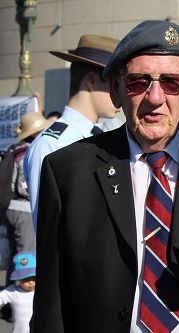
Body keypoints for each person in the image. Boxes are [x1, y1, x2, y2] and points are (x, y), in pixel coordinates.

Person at [32, 20, 179, 333]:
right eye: (138, 82)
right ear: (116, 88)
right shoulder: (67, 170)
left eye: (171, 82)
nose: (155, 97)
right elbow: (51, 303)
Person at [23, 34, 120, 229]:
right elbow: (46, 229)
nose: (120, 95)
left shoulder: (99, 137)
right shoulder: (52, 144)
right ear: (92, 81)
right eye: (114, 85)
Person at [5, 112, 53, 262]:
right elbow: (23, 186)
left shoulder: (14, 148)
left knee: (16, 254)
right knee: (26, 256)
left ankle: (13, 284)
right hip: (22, 209)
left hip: (10, 208)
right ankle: (21, 285)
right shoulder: (26, 150)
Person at [0, 251, 36, 333]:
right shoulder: (13, 291)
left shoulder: (42, 292)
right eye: (25, 279)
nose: (30, 282)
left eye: (34, 278)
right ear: (18, 279)